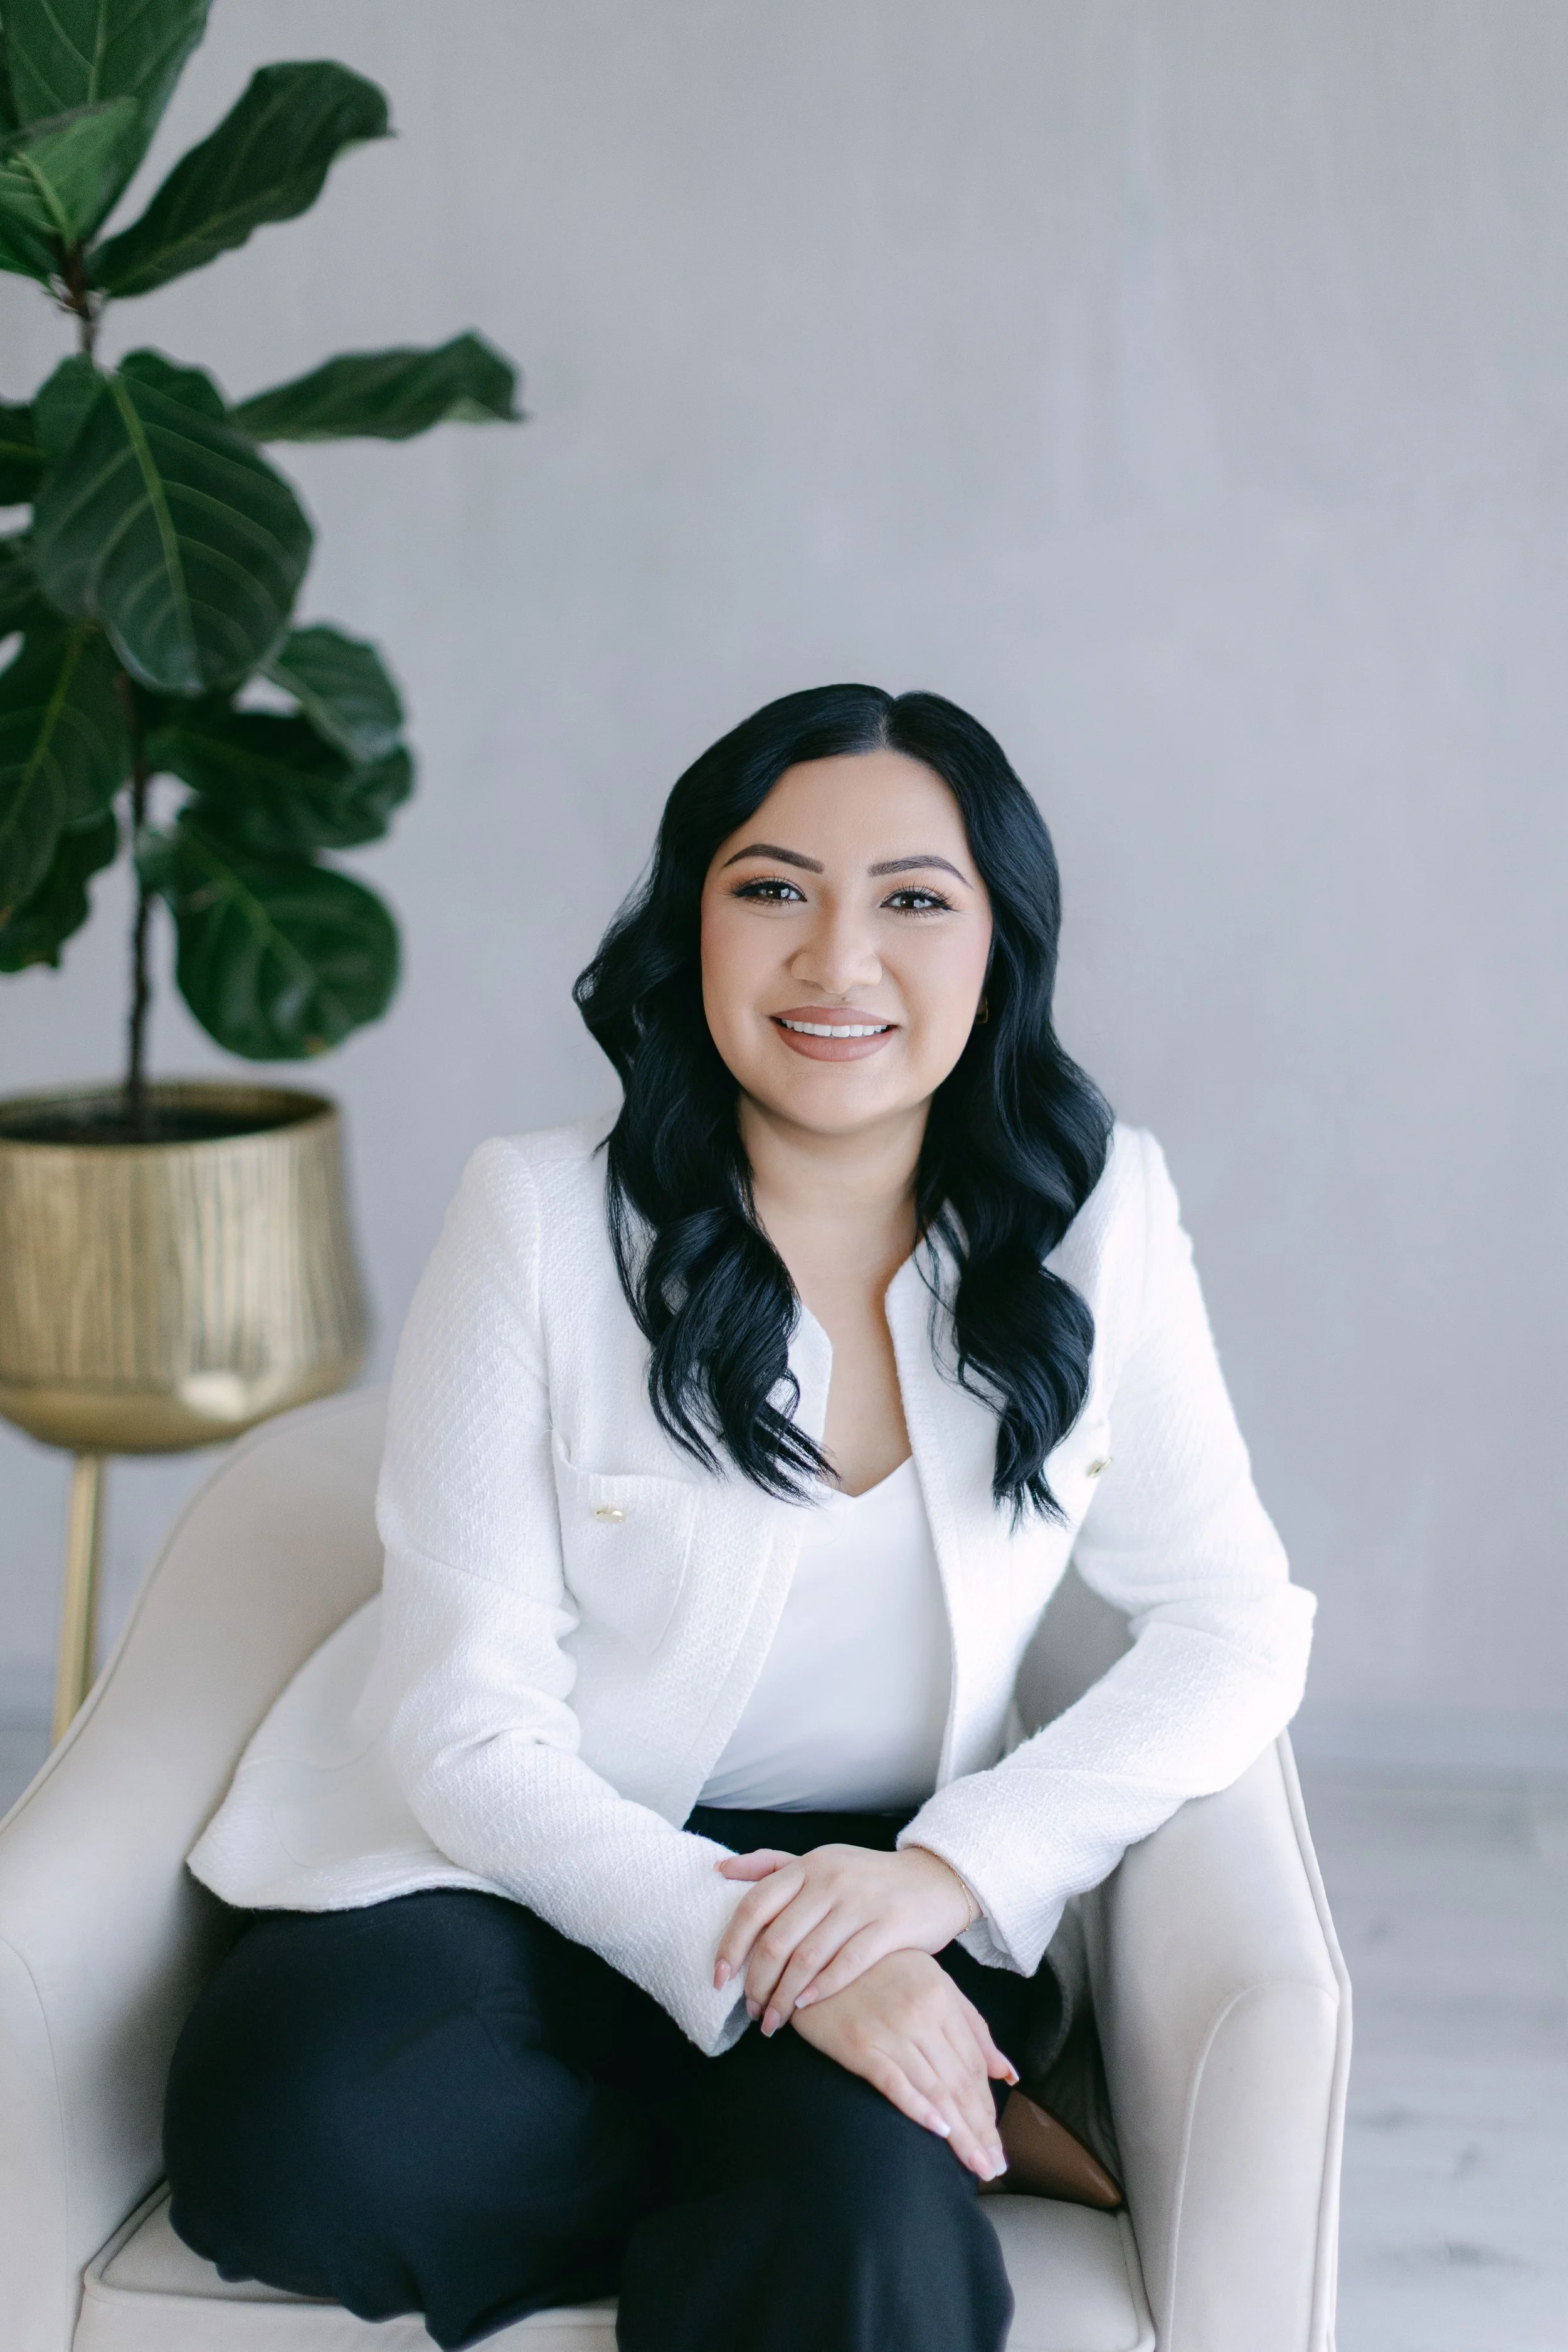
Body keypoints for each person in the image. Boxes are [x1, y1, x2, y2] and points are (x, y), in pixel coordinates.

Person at [164, 685, 1315, 2352]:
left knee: (867, 2265)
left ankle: (815, 2149)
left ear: (1000, 945)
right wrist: (757, 1959)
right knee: (305, 2136)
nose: (837, 962)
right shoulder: (542, 1214)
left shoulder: (1095, 1212)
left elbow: (1234, 1618)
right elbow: (460, 1721)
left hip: (881, 1875)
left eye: (912, 900)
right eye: (770, 888)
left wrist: (938, 1878)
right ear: (687, 928)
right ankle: (781, 2139)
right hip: (536, 1869)